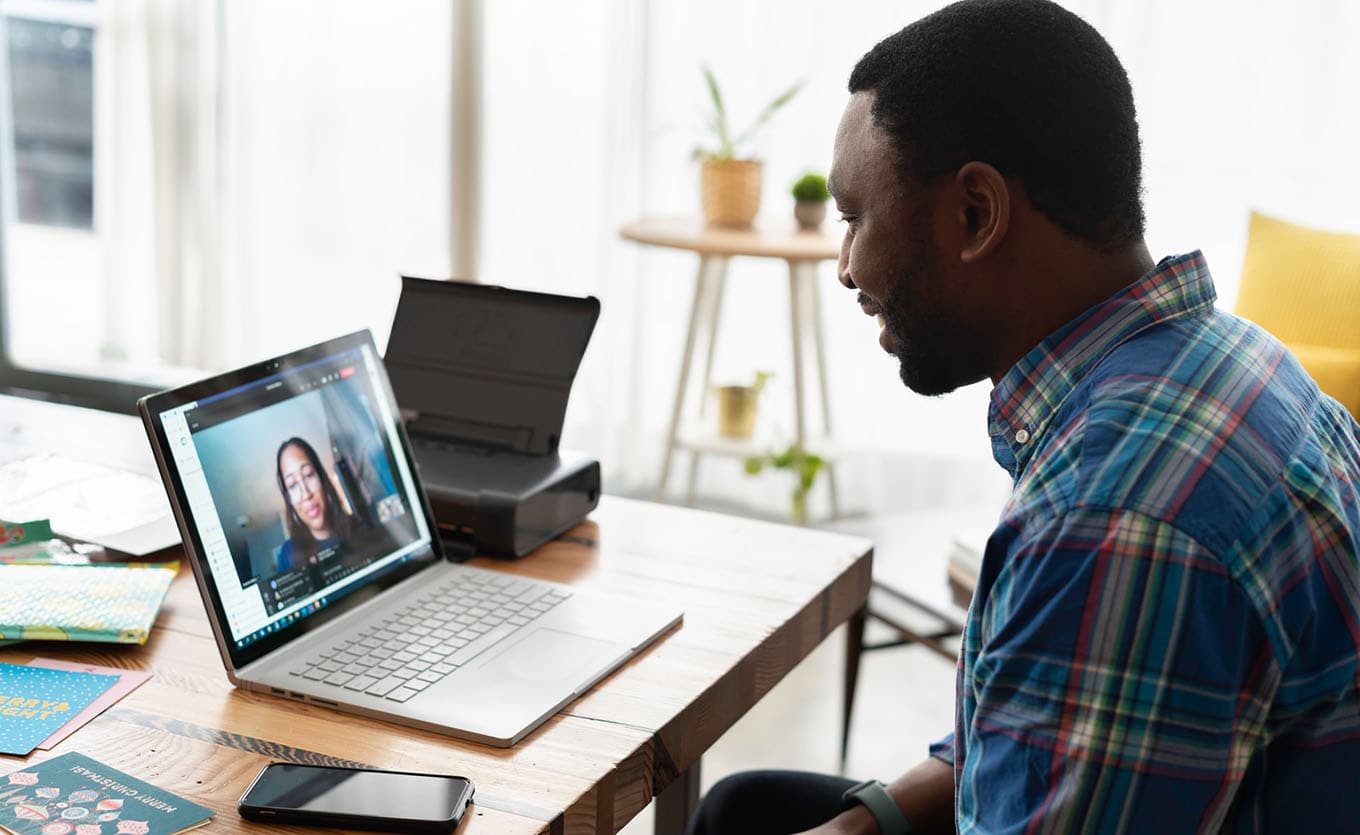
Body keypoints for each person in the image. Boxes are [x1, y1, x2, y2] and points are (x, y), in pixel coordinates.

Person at [686, 1, 1360, 833]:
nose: (847, 266)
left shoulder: (1114, 514)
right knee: (742, 809)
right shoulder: (1235, 361)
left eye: (858, 217)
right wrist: (871, 820)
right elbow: (1061, 710)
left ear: (976, 213)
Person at [274, 436, 353, 572]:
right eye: (292, 485)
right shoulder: (287, 555)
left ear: (322, 479)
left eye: (309, 475)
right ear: (289, 500)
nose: (306, 494)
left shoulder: (358, 525)